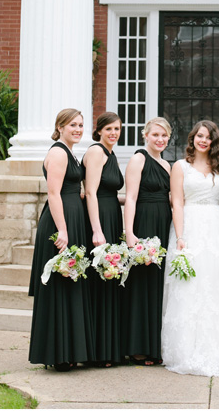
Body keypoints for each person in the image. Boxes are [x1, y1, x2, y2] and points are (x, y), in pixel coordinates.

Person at [161, 120, 219, 376]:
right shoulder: (180, 166)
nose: (203, 140)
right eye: (199, 136)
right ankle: (185, 351)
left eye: (208, 137)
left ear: (214, 142)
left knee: (217, 285)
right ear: (193, 138)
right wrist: (181, 235)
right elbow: (177, 203)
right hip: (191, 227)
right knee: (189, 286)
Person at [28, 108, 94, 370]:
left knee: (69, 284)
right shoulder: (57, 152)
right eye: (72, 125)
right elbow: (54, 193)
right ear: (60, 126)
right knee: (58, 285)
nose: (77, 129)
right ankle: (57, 354)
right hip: (60, 223)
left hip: (71, 218)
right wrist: (63, 230)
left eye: (80, 125)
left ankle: (67, 351)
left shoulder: (69, 151)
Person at [121, 117, 172, 366]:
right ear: (146, 135)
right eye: (155, 135)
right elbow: (130, 197)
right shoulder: (138, 158)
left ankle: (156, 345)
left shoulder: (167, 165)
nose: (160, 139)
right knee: (142, 283)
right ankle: (138, 346)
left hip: (164, 225)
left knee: (159, 285)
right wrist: (129, 233)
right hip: (144, 223)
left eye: (164, 136)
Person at [82, 111, 124, 367]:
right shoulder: (97, 151)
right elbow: (90, 191)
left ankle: (107, 349)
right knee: (100, 281)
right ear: (99, 131)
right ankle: (97, 352)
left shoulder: (110, 153)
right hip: (99, 222)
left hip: (111, 216)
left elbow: (109, 192)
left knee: (109, 279)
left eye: (117, 129)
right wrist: (97, 230)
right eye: (109, 129)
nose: (113, 133)